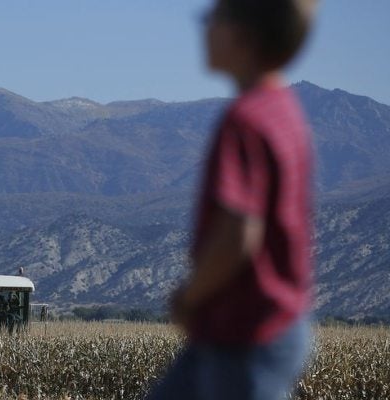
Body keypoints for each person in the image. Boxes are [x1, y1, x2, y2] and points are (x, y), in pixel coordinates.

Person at [147, 1, 318, 399]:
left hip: (246, 333)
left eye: (211, 18)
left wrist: (189, 296)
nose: (203, 29)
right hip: (252, 329)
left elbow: (238, 234)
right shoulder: (284, 112)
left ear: (241, 35)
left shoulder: (245, 120)